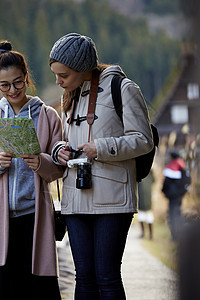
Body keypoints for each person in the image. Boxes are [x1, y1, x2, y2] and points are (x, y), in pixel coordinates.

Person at [49, 33, 153, 300]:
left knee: (106, 277)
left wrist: (101, 148)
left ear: (82, 68)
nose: (58, 81)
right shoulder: (69, 96)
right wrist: (59, 149)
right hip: (75, 198)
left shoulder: (124, 88)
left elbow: (144, 140)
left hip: (114, 200)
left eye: (64, 75)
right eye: (56, 74)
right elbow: (63, 139)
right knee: (82, 277)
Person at [0, 41, 63, 300]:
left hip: (34, 216)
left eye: (18, 82)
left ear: (27, 78)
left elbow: (60, 167)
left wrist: (43, 163)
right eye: (4, 85)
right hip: (1, 218)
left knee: (37, 288)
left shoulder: (47, 116)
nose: (12, 90)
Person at [162, 152, 186, 241]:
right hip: (179, 196)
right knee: (179, 215)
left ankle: (174, 237)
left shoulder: (171, 168)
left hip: (172, 197)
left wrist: (164, 192)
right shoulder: (182, 166)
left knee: (172, 216)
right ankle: (181, 236)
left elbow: (165, 184)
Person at [137, 170, 155, 240]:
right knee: (141, 217)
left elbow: (154, 180)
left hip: (148, 200)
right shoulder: (139, 174)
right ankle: (143, 233)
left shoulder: (150, 174)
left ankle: (151, 235)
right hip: (141, 200)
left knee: (149, 218)